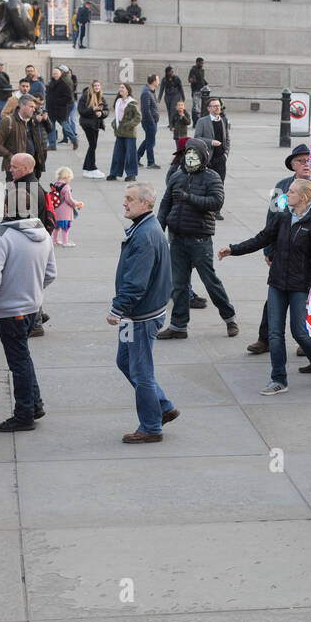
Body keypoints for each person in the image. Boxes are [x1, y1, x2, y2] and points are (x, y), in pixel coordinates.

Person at [219, 178, 311, 395]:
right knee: (275, 333)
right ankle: (278, 379)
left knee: (299, 332)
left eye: (291, 191)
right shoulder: (283, 217)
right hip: (277, 283)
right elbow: (261, 238)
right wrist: (233, 249)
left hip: (300, 287)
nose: (286, 194)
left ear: (303, 197)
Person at [0, 154, 56, 431]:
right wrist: (33, 290)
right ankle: (34, 405)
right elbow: (50, 273)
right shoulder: (43, 235)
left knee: (18, 360)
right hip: (31, 304)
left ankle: (24, 414)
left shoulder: (3, 236)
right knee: (23, 356)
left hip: (10, 309)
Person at [105, 182, 179, 443]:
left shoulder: (145, 235)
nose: (124, 202)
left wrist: (118, 308)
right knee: (125, 362)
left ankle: (151, 426)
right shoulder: (144, 227)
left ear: (145, 204)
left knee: (140, 371)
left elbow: (137, 281)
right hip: (134, 316)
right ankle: (163, 407)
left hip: (139, 317)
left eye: (130, 199)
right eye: (125, 197)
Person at [156, 138, 238, 340]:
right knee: (179, 284)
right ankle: (178, 325)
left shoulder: (212, 177)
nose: (190, 155)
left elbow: (216, 201)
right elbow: (165, 204)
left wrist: (189, 198)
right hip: (178, 238)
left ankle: (229, 318)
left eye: (195, 152)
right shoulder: (177, 176)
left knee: (210, 281)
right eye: (188, 151)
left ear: (203, 156)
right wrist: (159, 229)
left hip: (200, 239)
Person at [0, 94, 47, 180]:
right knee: (14, 193)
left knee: (32, 192)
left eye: (34, 107)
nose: (34, 109)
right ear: (22, 106)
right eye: (31, 106)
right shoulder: (9, 121)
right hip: (15, 169)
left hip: (31, 168)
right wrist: (11, 156)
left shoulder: (31, 121)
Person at [192, 97, 231, 189]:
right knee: (207, 186)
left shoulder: (223, 120)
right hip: (208, 159)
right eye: (214, 106)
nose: (217, 108)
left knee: (220, 186)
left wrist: (225, 155)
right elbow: (197, 138)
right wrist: (211, 142)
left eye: (218, 106)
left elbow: (228, 139)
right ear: (209, 108)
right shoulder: (202, 121)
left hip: (221, 159)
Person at [108, 83, 141, 181]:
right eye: (120, 87)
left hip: (129, 133)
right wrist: (114, 124)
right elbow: (118, 115)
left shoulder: (132, 103)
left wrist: (129, 125)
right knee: (117, 153)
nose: (120, 89)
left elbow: (138, 117)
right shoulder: (118, 101)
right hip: (119, 131)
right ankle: (114, 173)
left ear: (128, 90)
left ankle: (131, 174)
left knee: (130, 154)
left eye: (123, 88)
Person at [77, 79, 108, 179]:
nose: (97, 88)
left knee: (92, 145)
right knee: (93, 145)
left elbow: (107, 110)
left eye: (98, 86)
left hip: (96, 124)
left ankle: (88, 168)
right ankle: (91, 168)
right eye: (95, 86)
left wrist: (101, 113)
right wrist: (92, 109)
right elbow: (81, 111)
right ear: (92, 86)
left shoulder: (101, 97)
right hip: (88, 124)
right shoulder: (86, 96)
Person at [49, 167, 82, 247]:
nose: (69, 180)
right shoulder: (66, 187)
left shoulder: (55, 184)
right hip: (65, 212)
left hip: (56, 209)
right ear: (67, 177)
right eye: (70, 178)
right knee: (65, 227)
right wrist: (77, 203)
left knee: (56, 227)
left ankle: (55, 240)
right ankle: (65, 242)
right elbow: (69, 200)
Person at [46, 66, 77, 151]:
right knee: (51, 127)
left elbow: (68, 98)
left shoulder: (64, 84)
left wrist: (57, 101)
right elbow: (48, 96)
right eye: (53, 74)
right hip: (51, 110)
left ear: (60, 74)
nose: (55, 75)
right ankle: (52, 145)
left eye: (56, 73)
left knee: (66, 126)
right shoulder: (50, 83)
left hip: (60, 110)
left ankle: (74, 140)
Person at [138, 74, 161, 169]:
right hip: (149, 122)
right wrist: (152, 121)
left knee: (148, 141)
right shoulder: (146, 93)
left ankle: (136, 157)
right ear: (154, 81)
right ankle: (151, 162)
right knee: (150, 143)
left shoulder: (151, 91)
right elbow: (145, 109)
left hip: (152, 121)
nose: (159, 81)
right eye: (158, 79)